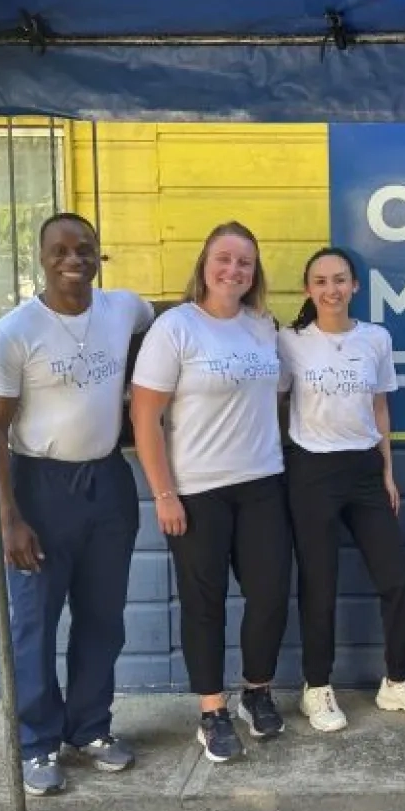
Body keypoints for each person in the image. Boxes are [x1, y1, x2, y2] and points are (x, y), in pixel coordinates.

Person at [0, 212, 156, 796]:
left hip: (108, 481)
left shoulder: (123, 308)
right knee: (36, 622)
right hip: (40, 486)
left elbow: (172, 320)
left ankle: (91, 728)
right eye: (60, 249)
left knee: (103, 618)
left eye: (84, 248)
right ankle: (37, 744)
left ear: (99, 254)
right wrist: (10, 518)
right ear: (42, 257)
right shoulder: (13, 332)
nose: (73, 259)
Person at [131, 221, 290, 764]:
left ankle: (257, 691)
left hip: (263, 483)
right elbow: (145, 416)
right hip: (197, 491)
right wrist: (163, 494)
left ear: (254, 273)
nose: (233, 270)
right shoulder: (176, 328)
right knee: (205, 605)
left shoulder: (263, 326)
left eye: (244, 262)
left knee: (269, 596)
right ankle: (212, 711)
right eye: (223, 259)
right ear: (203, 264)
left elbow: (283, 394)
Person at [279, 246, 405, 731]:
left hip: (366, 470)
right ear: (309, 290)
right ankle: (318, 687)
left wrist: (387, 471)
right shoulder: (291, 342)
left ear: (355, 287)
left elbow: (380, 410)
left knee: (396, 580)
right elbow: (272, 401)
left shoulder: (375, 338)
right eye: (321, 281)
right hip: (311, 470)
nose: (331, 289)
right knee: (319, 584)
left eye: (340, 280)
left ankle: (396, 681)